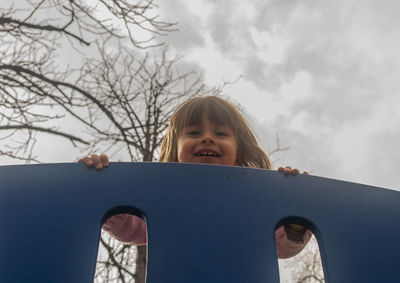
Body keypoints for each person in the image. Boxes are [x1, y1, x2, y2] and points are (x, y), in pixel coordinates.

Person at [79, 95, 312, 259]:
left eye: (220, 133)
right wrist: (99, 185)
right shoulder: (165, 201)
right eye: (193, 133)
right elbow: (128, 228)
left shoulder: (254, 200)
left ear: (239, 152)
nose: (207, 138)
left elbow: (281, 249)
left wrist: (293, 209)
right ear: (176, 149)